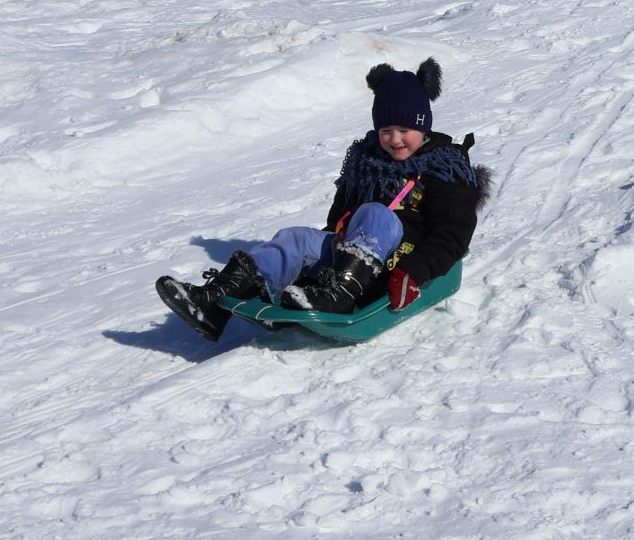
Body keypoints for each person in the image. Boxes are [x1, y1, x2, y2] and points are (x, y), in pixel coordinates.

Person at [155, 60, 489, 342]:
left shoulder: (444, 168)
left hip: (401, 263)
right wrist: (319, 261)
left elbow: (452, 236)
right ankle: (215, 303)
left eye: (404, 129)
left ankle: (339, 298)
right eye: (386, 130)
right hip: (353, 261)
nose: (395, 139)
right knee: (295, 237)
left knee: (375, 214)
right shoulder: (366, 161)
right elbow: (338, 218)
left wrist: (413, 273)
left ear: (423, 125)